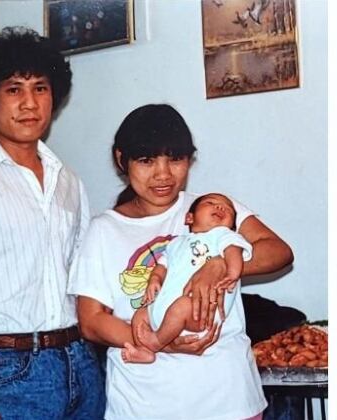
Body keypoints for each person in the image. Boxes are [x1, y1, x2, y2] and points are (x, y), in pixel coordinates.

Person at [68, 104, 293, 420]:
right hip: (144, 403)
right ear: (122, 159)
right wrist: (160, 342)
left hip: (227, 398)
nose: (163, 174)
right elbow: (91, 321)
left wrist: (217, 266)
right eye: (147, 161)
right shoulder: (103, 229)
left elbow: (279, 251)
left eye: (175, 159)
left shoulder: (212, 210)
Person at [0, 27, 104, 419]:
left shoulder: (69, 180)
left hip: (81, 365)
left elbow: (85, 283)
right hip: (8, 374)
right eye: (14, 89)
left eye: (40, 88)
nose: (29, 103)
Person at [122, 193, 252, 364]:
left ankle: (157, 342)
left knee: (181, 305)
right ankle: (145, 351)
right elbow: (162, 265)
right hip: (164, 308)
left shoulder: (223, 236)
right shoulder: (176, 243)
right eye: (210, 203)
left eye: (228, 209)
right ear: (189, 217)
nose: (220, 207)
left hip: (199, 311)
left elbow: (233, 252)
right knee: (140, 315)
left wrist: (232, 273)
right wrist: (154, 279)